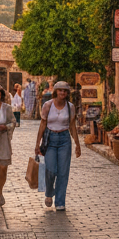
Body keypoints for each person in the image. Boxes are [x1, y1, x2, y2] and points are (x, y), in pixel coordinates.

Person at [36, 81, 82, 212]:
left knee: (63, 172)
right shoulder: (48, 105)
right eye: (60, 90)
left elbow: (72, 126)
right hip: (50, 139)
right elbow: (42, 125)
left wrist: (77, 144)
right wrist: (37, 144)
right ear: (56, 91)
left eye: (65, 91)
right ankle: (49, 193)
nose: (63, 93)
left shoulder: (70, 107)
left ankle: (60, 201)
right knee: (50, 170)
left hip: (64, 140)